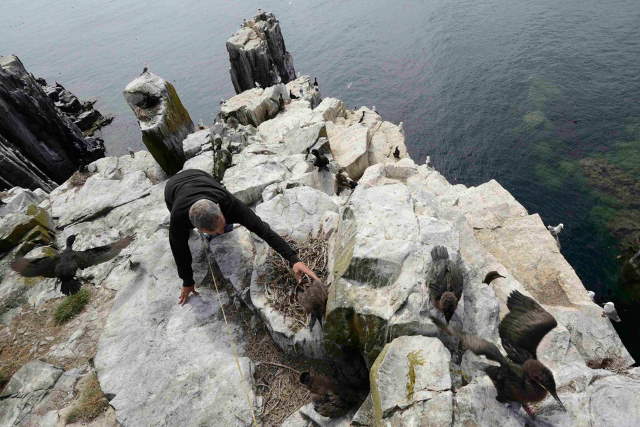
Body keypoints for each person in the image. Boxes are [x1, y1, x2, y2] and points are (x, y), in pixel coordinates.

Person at [164, 169, 318, 305]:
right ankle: (212, 229)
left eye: (222, 224)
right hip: (172, 190)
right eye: (213, 232)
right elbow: (179, 251)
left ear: (219, 209)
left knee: (226, 228)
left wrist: (293, 259)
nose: (220, 232)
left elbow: (263, 230)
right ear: (197, 228)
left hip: (200, 175)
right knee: (182, 239)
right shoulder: (178, 218)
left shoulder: (229, 203)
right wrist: (187, 281)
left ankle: (220, 227)